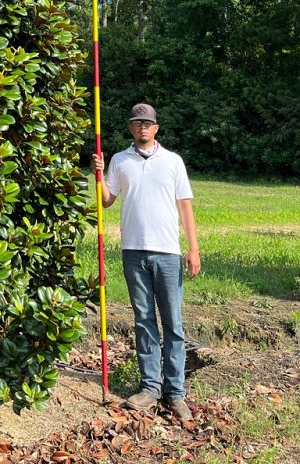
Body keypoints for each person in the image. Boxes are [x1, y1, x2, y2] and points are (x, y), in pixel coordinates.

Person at [90, 102, 200, 422]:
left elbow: (185, 207)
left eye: (147, 123)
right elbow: (107, 201)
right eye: (137, 123)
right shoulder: (119, 161)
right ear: (131, 128)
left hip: (168, 252)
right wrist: (99, 176)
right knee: (143, 320)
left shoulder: (173, 162)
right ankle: (150, 387)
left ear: (156, 128)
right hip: (133, 251)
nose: (142, 128)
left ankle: (175, 392)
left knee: (173, 323)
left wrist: (193, 248)